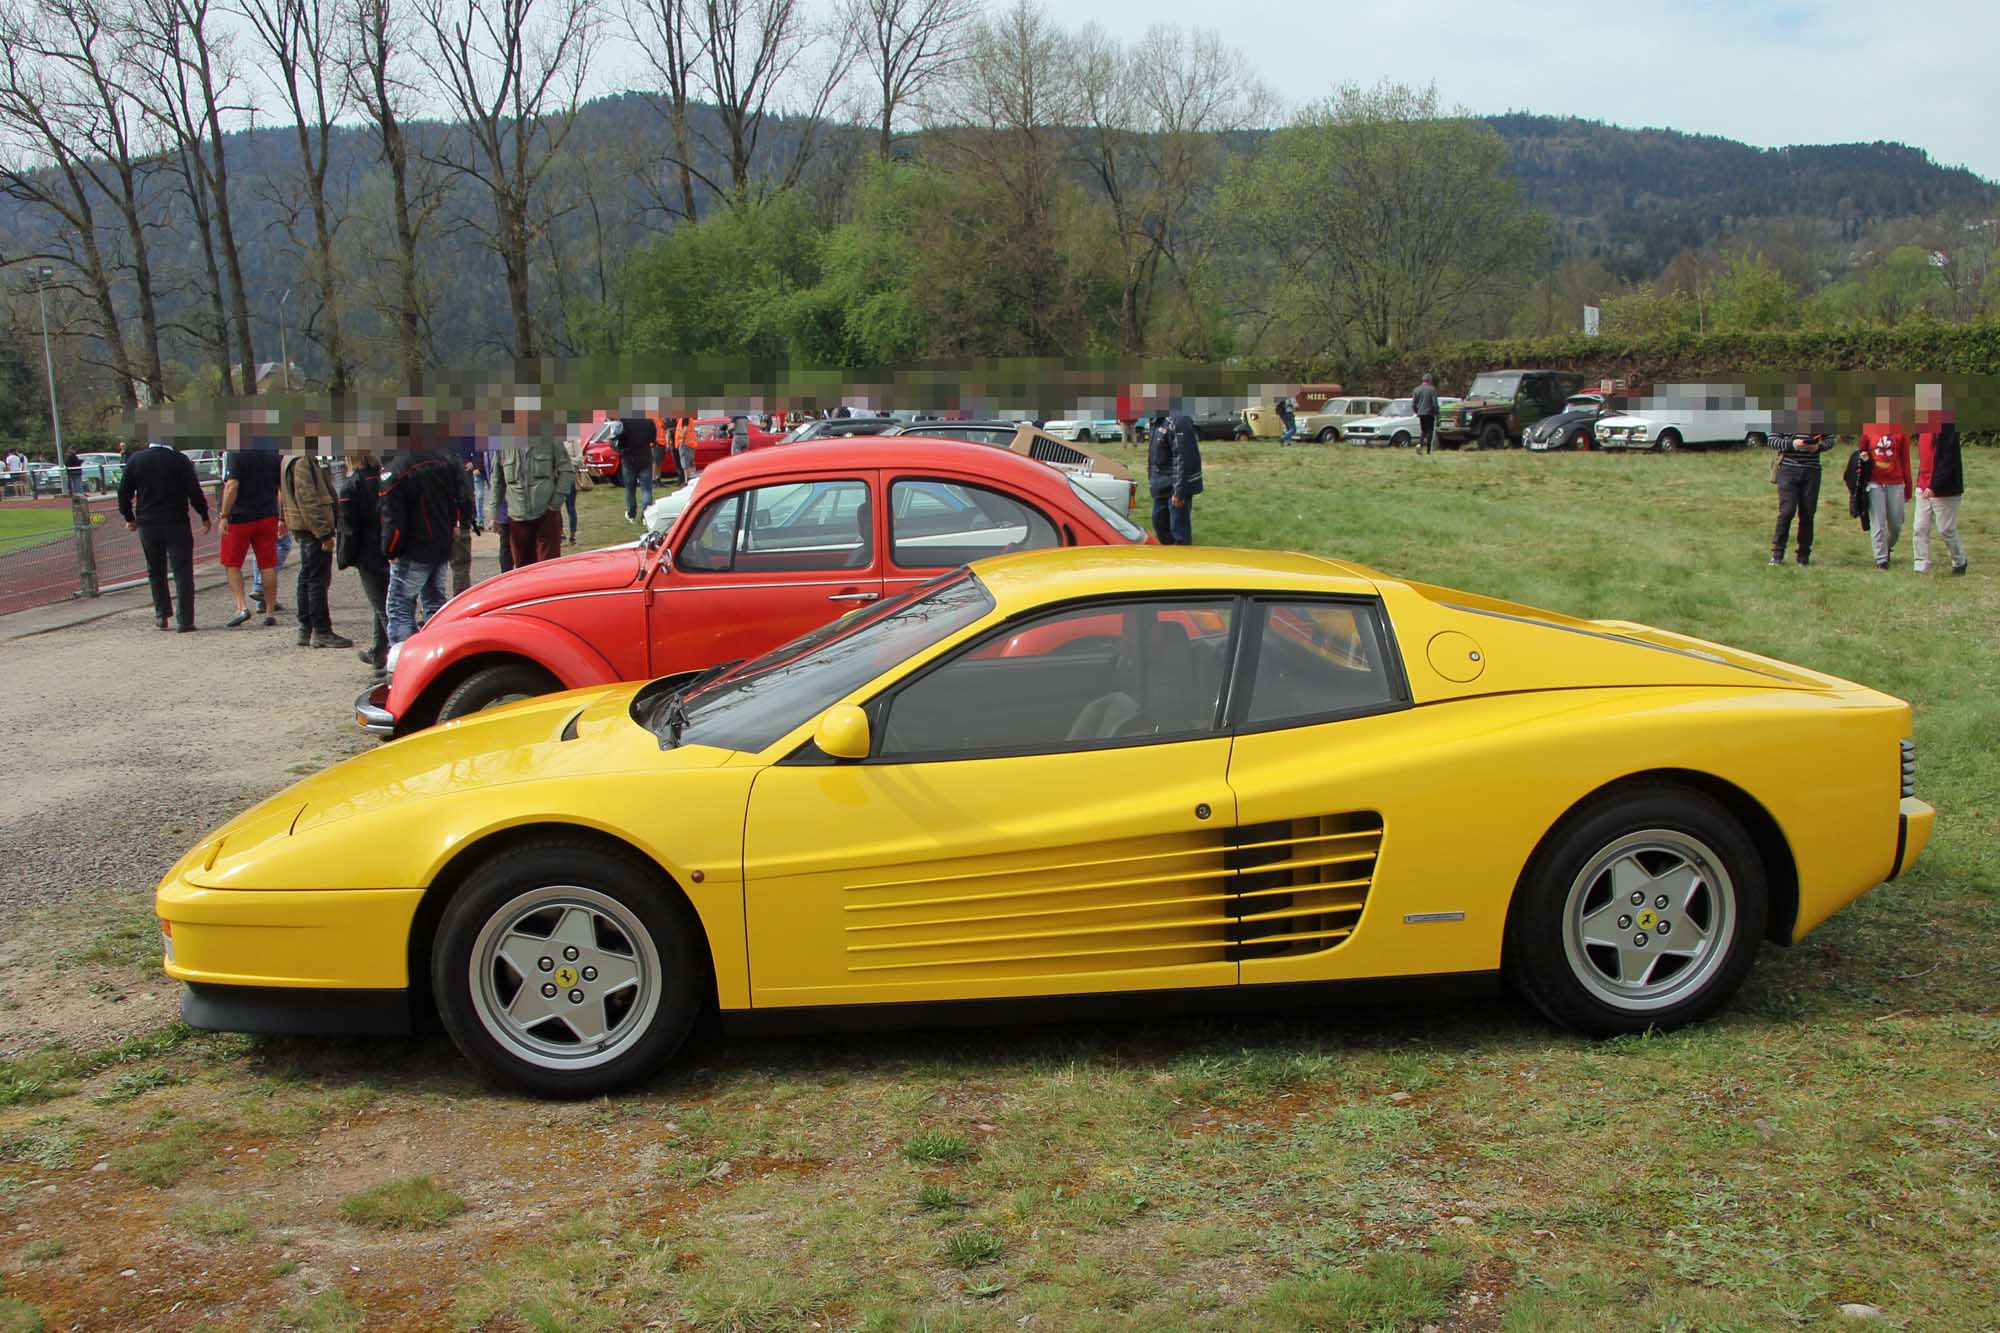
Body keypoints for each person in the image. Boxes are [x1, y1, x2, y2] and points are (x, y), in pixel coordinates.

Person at [379, 427, 463, 646]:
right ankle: (440, 653)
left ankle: (402, 663)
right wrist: (453, 526)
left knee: (399, 605)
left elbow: (392, 519)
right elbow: (455, 499)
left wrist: (390, 550)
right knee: (435, 603)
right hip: (441, 543)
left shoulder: (395, 472)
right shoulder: (442, 461)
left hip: (414, 549)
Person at [117, 438, 211, 632]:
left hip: (148, 521)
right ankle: (185, 619)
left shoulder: (136, 459)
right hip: (176, 520)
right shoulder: (180, 460)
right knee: (182, 571)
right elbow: (193, 490)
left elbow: (123, 492)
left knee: (155, 570)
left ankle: (162, 613)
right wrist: (203, 514)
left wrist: (129, 516)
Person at [278, 437, 352, 647]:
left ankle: (306, 627)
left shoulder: (291, 458)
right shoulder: (302, 460)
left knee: (307, 576)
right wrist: (323, 533)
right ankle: (321, 630)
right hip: (312, 529)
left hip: (304, 526)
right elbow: (307, 499)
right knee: (317, 580)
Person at [491, 404, 574, 567]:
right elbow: (497, 481)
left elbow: (567, 470)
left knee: (548, 569)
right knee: (524, 571)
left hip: (546, 515)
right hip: (518, 518)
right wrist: (494, 514)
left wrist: (555, 503)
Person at [218, 441, 284, 627]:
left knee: (232, 564)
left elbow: (232, 485)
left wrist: (224, 515)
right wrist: (282, 517)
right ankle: (269, 610)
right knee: (268, 564)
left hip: (239, 517)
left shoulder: (236, 452)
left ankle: (241, 607)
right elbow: (281, 488)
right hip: (267, 515)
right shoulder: (272, 451)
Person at [337, 448, 392, 668]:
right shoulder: (384, 478)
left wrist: (345, 557)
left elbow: (348, 528)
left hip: (367, 552)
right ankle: (379, 650)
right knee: (384, 602)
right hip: (388, 546)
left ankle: (396, 655)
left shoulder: (351, 486)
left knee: (383, 607)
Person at [1769, 386, 1832, 567]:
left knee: (1807, 514)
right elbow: (1772, 440)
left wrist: (1818, 447)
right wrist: (1792, 444)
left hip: (1812, 470)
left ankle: (1803, 556)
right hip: (1788, 469)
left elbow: (1830, 440)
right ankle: (1777, 553)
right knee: (1786, 511)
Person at [1912, 399, 1967, 577]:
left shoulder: (1948, 428)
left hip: (1945, 488)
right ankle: (1921, 564)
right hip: (1923, 485)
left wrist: (1934, 486)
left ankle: (1959, 561)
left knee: (1946, 529)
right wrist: (1922, 483)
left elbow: (1948, 461)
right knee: (1919, 527)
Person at [1859, 397, 1913, 570]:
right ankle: (1881, 559)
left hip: (1895, 482)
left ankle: (1888, 545)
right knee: (1878, 521)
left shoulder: (1902, 431)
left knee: (1896, 523)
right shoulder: (1868, 429)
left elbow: (1905, 461)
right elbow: (1861, 453)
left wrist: (1908, 487)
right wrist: (1863, 458)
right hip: (1874, 482)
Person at [1148, 407, 1203, 545]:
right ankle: (1170, 560)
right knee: (1159, 524)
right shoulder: (1157, 421)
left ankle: (1183, 562)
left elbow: (1183, 457)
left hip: (1176, 486)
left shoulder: (1178, 420)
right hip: (1160, 486)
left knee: (1179, 531)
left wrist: (1179, 492)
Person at [618, 415, 657, 522]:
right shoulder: (649, 422)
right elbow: (653, 439)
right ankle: (646, 516)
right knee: (646, 490)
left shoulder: (623, 422)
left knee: (630, 489)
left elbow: (618, 440)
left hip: (629, 459)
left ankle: (631, 514)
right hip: (645, 458)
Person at [1412, 374, 1440, 455]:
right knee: (1430, 432)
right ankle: (1428, 450)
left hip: (1421, 413)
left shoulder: (1416, 390)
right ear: (1429, 380)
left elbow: (1413, 404)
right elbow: (1434, 403)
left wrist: (1417, 412)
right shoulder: (1432, 389)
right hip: (1429, 413)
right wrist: (1436, 412)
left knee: (1423, 431)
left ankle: (1419, 445)